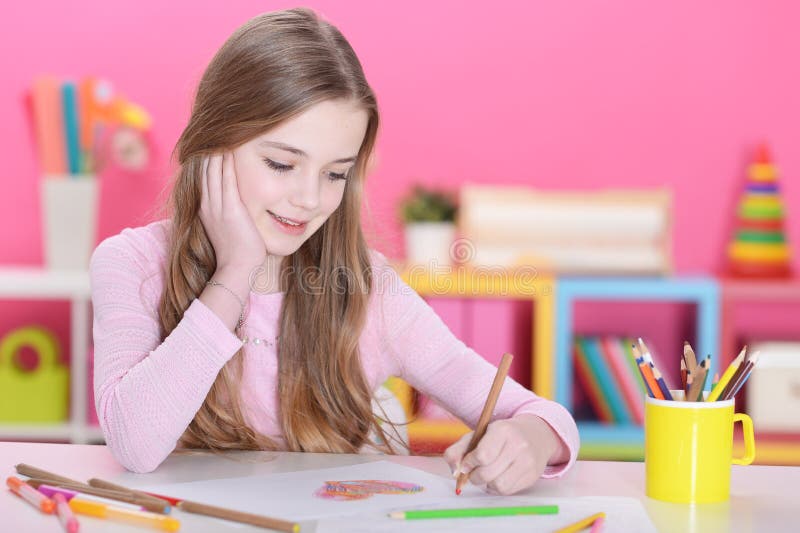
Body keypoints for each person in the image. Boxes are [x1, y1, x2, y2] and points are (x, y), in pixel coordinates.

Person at [90, 7, 579, 495]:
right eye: (282, 164)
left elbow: (543, 417)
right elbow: (134, 444)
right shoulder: (131, 264)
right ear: (211, 146)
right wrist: (235, 271)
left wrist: (533, 439)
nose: (309, 198)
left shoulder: (370, 290)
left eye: (335, 174)